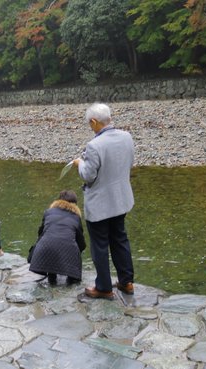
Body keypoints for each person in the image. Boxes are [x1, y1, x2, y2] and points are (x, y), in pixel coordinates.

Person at [72, 103, 135, 299]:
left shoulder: (94, 145)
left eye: (89, 124)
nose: (90, 127)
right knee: (120, 239)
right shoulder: (127, 137)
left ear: (94, 121)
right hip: (121, 199)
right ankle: (126, 282)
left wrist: (79, 163)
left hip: (100, 205)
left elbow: (88, 176)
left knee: (99, 245)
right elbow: (129, 163)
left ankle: (104, 287)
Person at [29, 190, 86, 285]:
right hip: (68, 251)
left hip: (45, 250)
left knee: (50, 243)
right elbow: (80, 240)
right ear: (75, 204)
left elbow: (41, 232)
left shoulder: (48, 212)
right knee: (70, 248)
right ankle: (71, 277)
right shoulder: (76, 217)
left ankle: (52, 276)